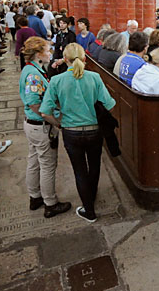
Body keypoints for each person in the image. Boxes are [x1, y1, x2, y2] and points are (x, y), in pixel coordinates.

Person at [39, 43, 115, 223]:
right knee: (95, 165)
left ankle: (89, 209)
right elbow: (110, 104)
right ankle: (91, 196)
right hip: (94, 130)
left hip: (71, 132)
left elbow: (44, 111)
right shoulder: (94, 77)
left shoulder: (57, 81)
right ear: (84, 58)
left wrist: (58, 123)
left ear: (65, 60)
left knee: (79, 170)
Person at [19, 37, 71, 217]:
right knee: (47, 165)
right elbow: (35, 104)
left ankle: (35, 196)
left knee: (34, 161)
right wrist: (55, 122)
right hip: (40, 126)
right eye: (48, 50)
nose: (51, 53)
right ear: (39, 54)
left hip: (32, 125)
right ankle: (50, 203)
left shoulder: (33, 69)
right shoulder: (33, 74)